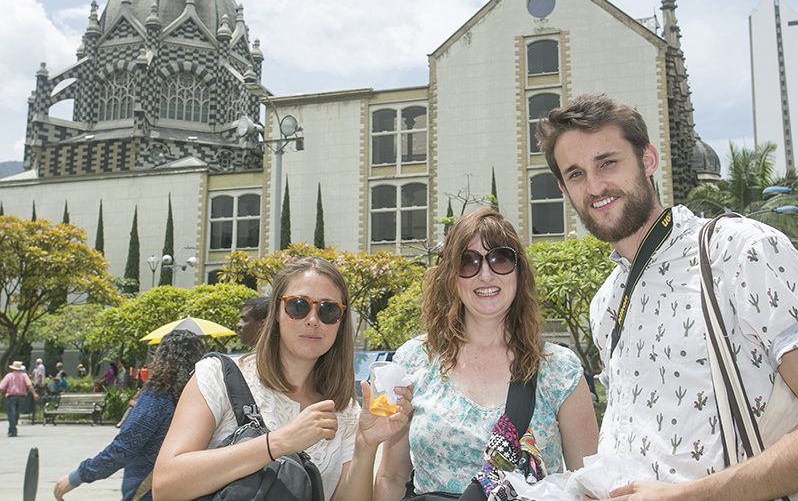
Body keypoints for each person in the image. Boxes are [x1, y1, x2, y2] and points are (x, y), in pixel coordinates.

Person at [536, 93, 798, 499]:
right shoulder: (605, 303)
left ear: (648, 160)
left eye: (608, 162)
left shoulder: (739, 251)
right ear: (563, 188)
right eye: (576, 174)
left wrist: (686, 497)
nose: (595, 186)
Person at [375, 208, 598, 499]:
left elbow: (589, 486)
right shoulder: (414, 360)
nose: (485, 274)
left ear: (519, 271)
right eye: (468, 262)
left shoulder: (559, 370)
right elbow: (391, 477)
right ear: (451, 277)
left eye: (500, 259)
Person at [153, 256, 411, 500]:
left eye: (328, 310)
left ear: (341, 322)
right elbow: (165, 485)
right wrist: (278, 442)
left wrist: (365, 446)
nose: (313, 320)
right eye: (298, 306)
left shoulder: (345, 409)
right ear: (276, 312)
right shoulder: (217, 376)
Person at [53, 330, 206, 500]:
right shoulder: (199, 396)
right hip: (187, 488)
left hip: (148, 489)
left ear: (164, 358)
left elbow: (123, 448)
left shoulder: (159, 395)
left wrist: (77, 477)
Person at [1, 360, 40, 437]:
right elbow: (29, 385)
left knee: (11, 414)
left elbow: (2, 387)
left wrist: (2, 393)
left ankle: (12, 430)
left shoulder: (9, 376)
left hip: (11, 397)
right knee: (16, 414)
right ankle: (12, 429)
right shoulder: (24, 376)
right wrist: (34, 394)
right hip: (21, 397)